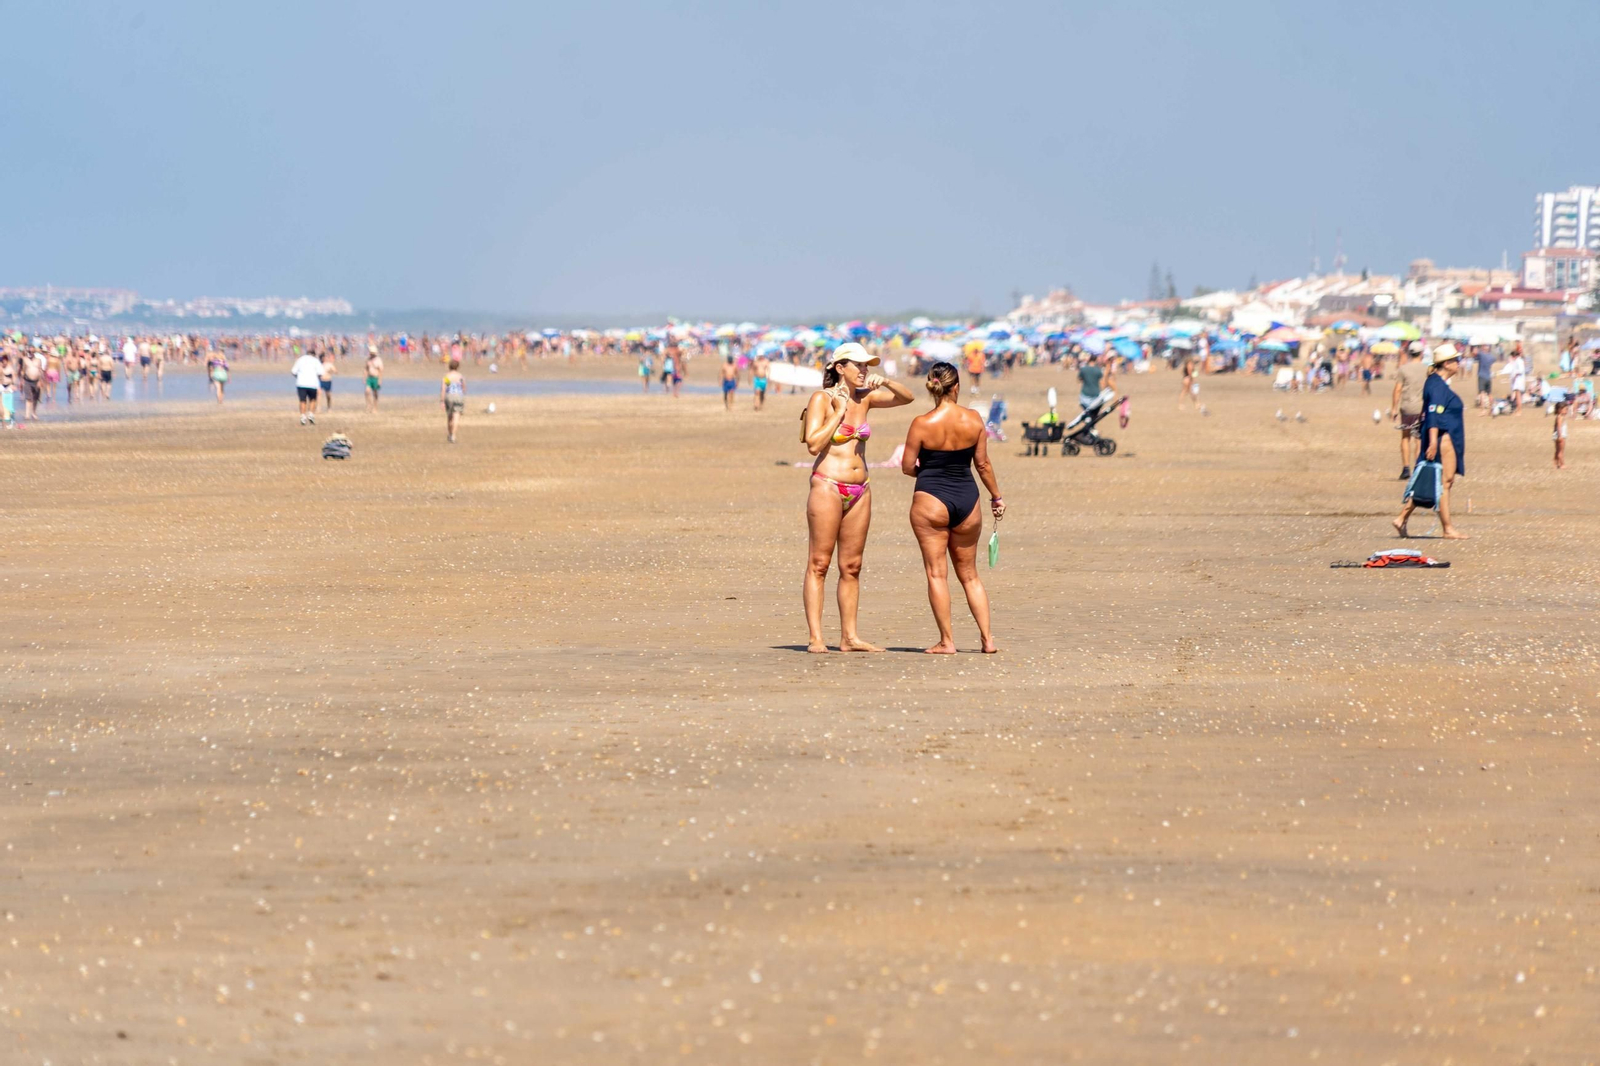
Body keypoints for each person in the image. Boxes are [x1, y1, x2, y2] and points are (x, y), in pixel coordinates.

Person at [800, 341, 913, 653]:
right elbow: (813, 444)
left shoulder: (866, 398)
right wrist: (838, 413)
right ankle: (816, 638)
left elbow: (907, 398)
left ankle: (849, 637)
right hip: (827, 485)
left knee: (852, 566)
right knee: (819, 563)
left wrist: (886, 381)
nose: (865, 371)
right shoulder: (821, 398)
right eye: (859, 365)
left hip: (860, 490)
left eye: (867, 366)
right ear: (840, 368)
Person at [902, 362, 1004, 654]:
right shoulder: (973, 419)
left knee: (937, 574)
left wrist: (928, 472)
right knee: (970, 575)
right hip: (967, 500)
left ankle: (947, 641)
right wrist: (996, 497)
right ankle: (987, 640)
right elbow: (983, 465)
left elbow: (908, 466)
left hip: (931, 499)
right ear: (956, 386)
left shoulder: (922, 423)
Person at [1394, 344, 1467, 540]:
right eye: (1456, 360)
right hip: (1443, 439)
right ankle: (1448, 528)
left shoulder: (1437, 382)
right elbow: (1434, 412)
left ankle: (1402, 518)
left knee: (1433, 480)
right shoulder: (1437, 385)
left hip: (1443, 438)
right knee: (1444, 482)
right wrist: (1433, 442)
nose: (1459, 363)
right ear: (1447, 364)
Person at [1390, 341, 1427, 479]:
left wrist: (1394, 408)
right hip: (1422, 408)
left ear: (1409, 353)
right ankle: (1417, 468)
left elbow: (1397, 389)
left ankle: (1406, 469)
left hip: (1406, 407)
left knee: (1406, 437)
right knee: (1419, 438)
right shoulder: (1427, 369)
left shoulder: (1403, 369)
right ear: (1422, 353)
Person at [291, 347, 323, 424]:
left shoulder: (300, 359)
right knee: (312, 399)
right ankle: (311, 414)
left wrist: (298, 377)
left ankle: (303, 416)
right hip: (312, 383)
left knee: (302, 400)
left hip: (301, 383)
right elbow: (320, 372)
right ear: (314, 354)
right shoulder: (316, 361)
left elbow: (293, 371)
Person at [441, 358, 466, 443]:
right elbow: (463, 388)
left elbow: (444, 388)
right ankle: (453, 435)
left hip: (449, 396)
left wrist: (442, 401)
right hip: (458, 396)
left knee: (449, 417)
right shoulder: (460, 376)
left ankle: (450, 433)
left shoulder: (447, 376)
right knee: (456, 416)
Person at [1475, 346, 1495, 411]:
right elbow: (1493, 360)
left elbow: (1474, 353)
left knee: (1482, 393)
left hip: (1482, 375)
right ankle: (1492, 408)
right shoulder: (1491, 357)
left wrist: (1476, 348)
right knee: (1489, 393)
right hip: (1488, 376)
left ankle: (1483, 409)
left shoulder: (1481, 354)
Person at [1553, 396, 1571, 470]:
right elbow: (1559, 427)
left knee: (1557, 450)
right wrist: (1560, 436)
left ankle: (1556, 463)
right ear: (1560, 410)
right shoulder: (1560, 417)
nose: (1567, 411)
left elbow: (1555, 427)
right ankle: (1562, 464)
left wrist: (1555, 435)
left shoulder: (1558, 417)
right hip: (1561, 436)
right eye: (1565, 409)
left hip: (1556, 435)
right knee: (1561, 451)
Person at [365, 345, 384, 411]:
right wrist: (364, 377)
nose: (371, 354)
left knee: (375, 393)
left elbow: (381, 370)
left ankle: (375, 407)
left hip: (376, 378)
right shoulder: (368, 360)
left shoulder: (378, 360)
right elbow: (366, 369)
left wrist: (380, 380)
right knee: (367, 391)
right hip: (369, 378)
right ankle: (369, 405)